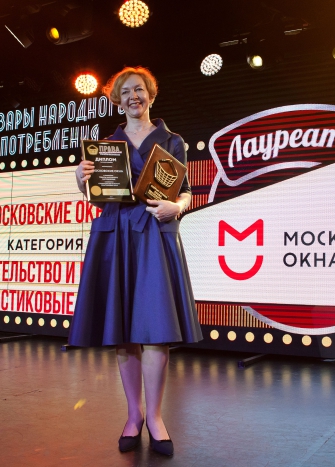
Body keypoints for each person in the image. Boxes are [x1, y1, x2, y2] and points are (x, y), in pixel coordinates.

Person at [69, 66, 203, 455]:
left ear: (151, 95)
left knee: (156, 329)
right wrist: (81, 181)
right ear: (117, 101)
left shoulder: (172, 141)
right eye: (125, 91)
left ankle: (156, 418)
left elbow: (186, 190)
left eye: (139, 89)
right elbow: (99, 197)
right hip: (115, 234)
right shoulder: (106, 146)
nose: (133, 96)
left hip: (155, 234)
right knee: (123, 330)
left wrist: (176, 207)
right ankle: (134, 415)